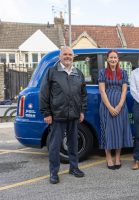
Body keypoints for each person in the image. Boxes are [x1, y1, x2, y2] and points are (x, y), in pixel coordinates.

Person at [39, 46, 87, 184]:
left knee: (73, 144)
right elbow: (44, 94)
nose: (67, 57)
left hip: (74, 115)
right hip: (57, 116)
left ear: (73, 57)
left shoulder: (78, 73)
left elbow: (83, 94)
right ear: (60, 57)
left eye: (70, 54)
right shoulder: (52, 72)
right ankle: (54, 173)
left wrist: (82, 111)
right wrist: (46, 112)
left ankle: (74, 168)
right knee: (54, 146)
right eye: (65, 54)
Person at [98, 50, 133, 170]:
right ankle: (108, 157)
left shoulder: (123, 73)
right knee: (107, 131)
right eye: (111, 57)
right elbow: (102, 91)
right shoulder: (102, 72)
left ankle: (118, 157)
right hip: (106, 107)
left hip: (120, 106)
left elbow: (124, 91)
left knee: (119, 131)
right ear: (107, 59)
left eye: (115, 57)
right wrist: (110, 107)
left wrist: (118, 106)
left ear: (118, 59)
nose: (113, 59)